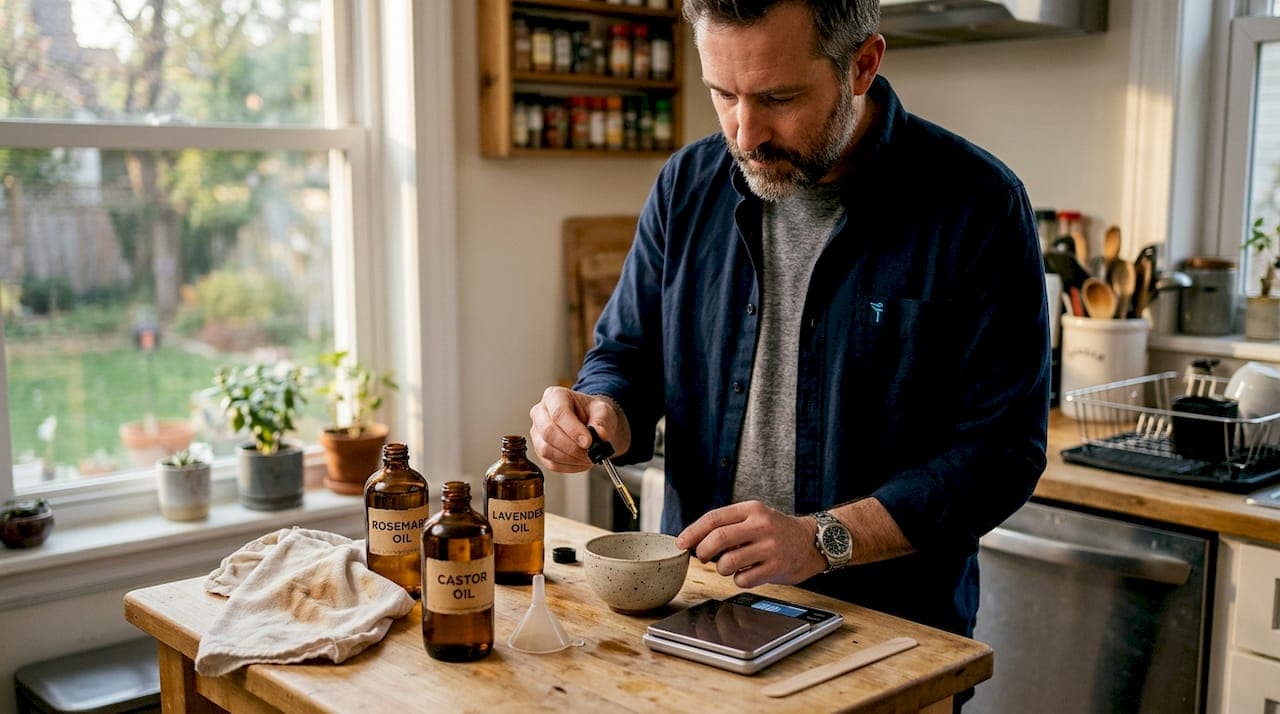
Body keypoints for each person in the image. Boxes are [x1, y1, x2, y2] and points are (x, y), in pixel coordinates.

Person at [530, 0, 1048, 658]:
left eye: (778, 97)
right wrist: (601, 411)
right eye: (723, 94)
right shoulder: (686, 186)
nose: (745, 134)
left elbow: (1001, 454)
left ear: (862, 66)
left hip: (888, 638)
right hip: (699, 617)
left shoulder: (978, 206)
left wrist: (821, 539)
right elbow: (627, 356)